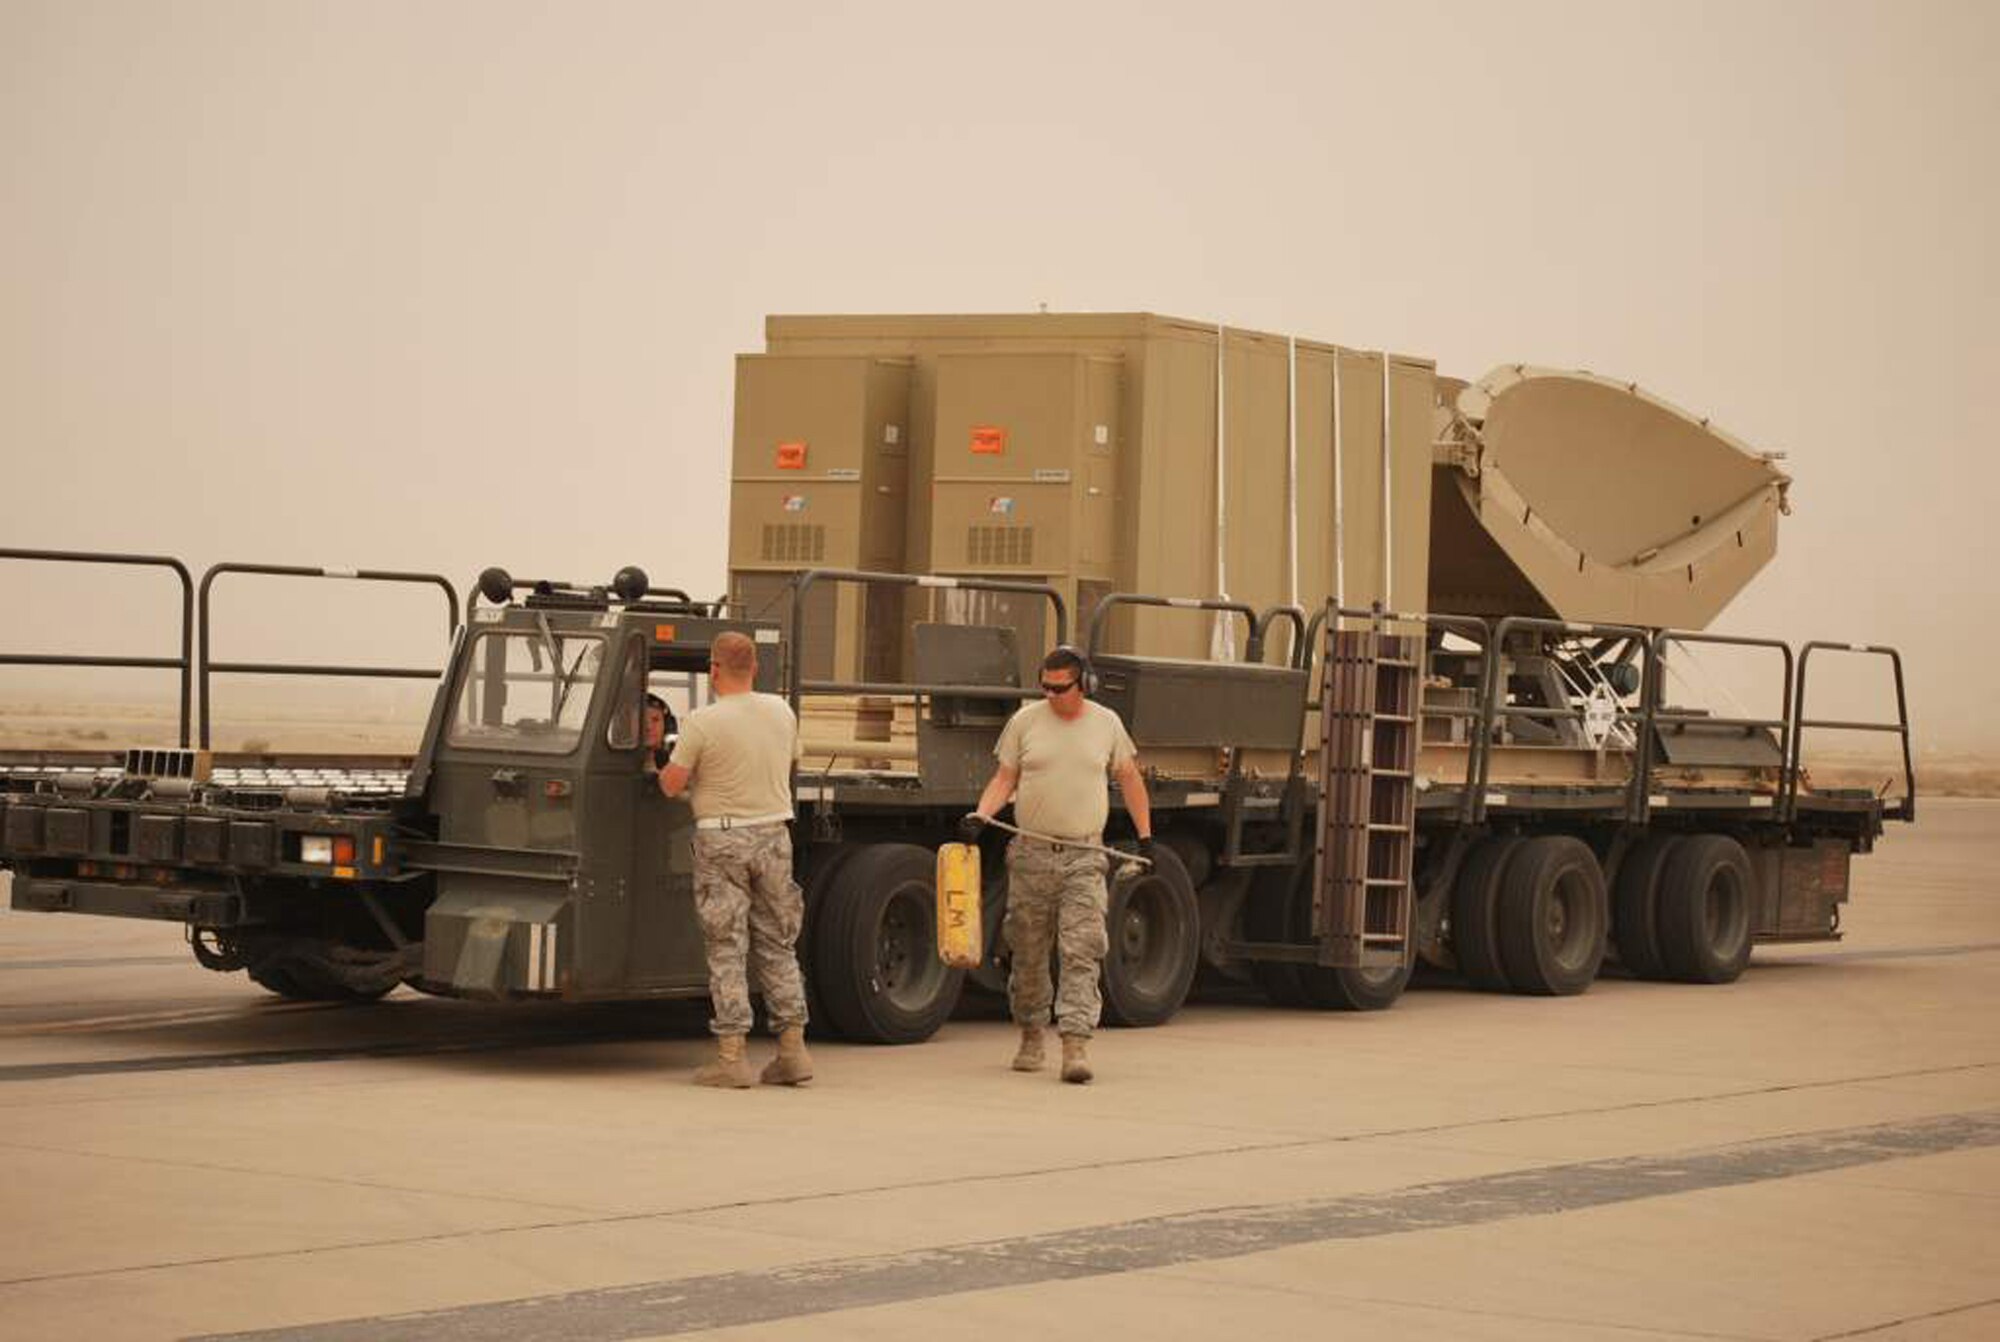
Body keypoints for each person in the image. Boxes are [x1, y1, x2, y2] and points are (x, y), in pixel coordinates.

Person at [962, 646, 1152, 1084]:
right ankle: (1031, 1032)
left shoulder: (1106, 724)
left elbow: (1130, 779)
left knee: (1081, 949)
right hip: (1031, 855)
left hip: (1085, 856)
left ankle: (1075, 1044)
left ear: (1083, 683)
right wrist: (981, 815)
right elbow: (1003, 779)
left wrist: (1146, 839)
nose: (1051, 695)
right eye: (1044, 687)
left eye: (1060, 688)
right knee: (1027, 952)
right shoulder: (1024, 723)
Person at [657, 631, 812, 1088]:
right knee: (778, 944)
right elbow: (791, 760)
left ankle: (732, 1057)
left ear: (714, 669)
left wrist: (662, 759)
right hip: (775, 836)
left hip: (723, 839)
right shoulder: (782, 711)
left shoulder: (702, 722)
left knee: (727, 947)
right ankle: (792, 1052)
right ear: (757, 669)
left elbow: (671, 784)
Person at [642, 692, 677, 772]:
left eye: (655, 720)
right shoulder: (619, 765)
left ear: (667, 726)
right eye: (642, 721)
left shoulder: (675, 764)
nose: (648, 727)